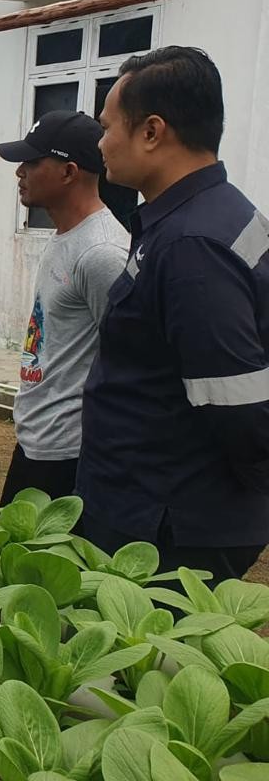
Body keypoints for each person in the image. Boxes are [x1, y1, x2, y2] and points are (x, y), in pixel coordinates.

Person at [79, 46, 269, 581]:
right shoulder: (207, 214)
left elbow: (238, 405)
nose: (101, 142)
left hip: (169, 525)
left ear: (152, 131)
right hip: (166, 506)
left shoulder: (192, 245)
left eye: (108, 125)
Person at [0, 111, 129, 505]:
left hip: (69, 454)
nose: (20, 171)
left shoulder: (103, 253)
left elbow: (128, 360)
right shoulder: (65, 236)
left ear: (69, 172)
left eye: (32, 162)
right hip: (37, 440)